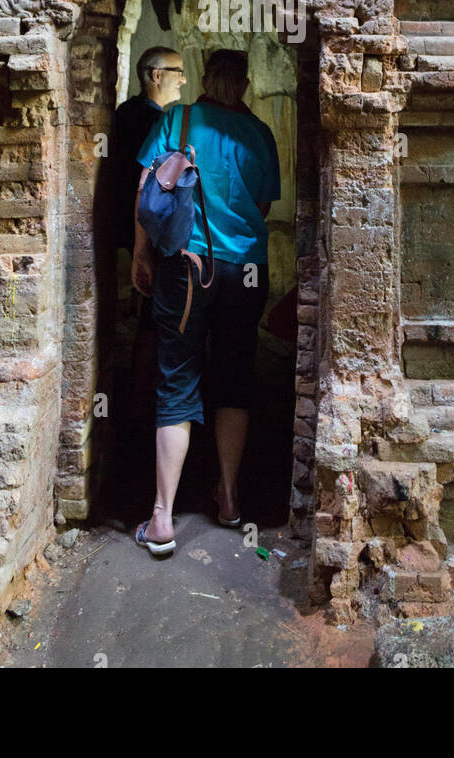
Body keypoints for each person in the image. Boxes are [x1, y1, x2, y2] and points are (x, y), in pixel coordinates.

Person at [131, 48, 280, 555]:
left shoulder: (176, 120)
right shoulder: (259, 134)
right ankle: (231, 499)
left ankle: (162, 517)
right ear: (241, 83)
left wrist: (140, 255)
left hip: (184, 269)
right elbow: (260, 206)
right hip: (246, 271)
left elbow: (147, 192)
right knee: (235, 377)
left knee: (177, 380)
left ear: (203, 79)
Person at [113, 47, 186, 422]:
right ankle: (147, 407)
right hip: (149, 232)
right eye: (179, 72)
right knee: (155, 322)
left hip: (128, 231)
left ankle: (142, 406)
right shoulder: (154, 122)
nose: (184, 80)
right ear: (156, 75)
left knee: (148, 319)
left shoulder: (126, 113)